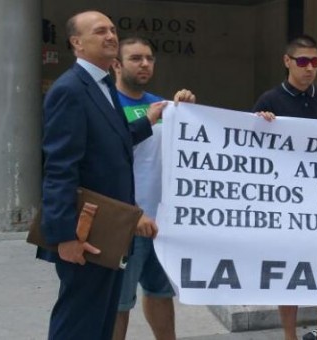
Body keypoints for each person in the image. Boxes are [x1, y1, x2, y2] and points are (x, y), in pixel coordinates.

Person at [39, 11, 159, 339]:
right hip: (84, 231)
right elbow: (60, 168)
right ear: (77, 43)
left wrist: (147, 123)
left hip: (111, 229)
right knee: (78, 322)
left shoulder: (103, 84)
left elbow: (109, 141)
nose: (110, 36)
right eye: (99, 31)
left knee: (101, 321)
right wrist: (65, 237)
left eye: (112, 29)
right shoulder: (70, 90)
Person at [253, 35, 317, 340]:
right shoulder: (269, 101)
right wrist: (260, 124)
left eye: (315, 62)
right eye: (303, 61)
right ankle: (290, 336)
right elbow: (251, 150)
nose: (309, 68)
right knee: (287, 273)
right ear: (287, 61)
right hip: (286, 204)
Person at [111, 37, 196, 340]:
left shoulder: (164, 104)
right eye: (135, 58)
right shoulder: (106, 105)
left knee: (160, 293)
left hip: (162, 222)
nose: (145, 64)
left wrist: (188, 114)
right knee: (117, 303)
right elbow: (108, 152)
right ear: (116, 64)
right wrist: (148, 120)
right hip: (124, 222)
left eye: (149, 58)